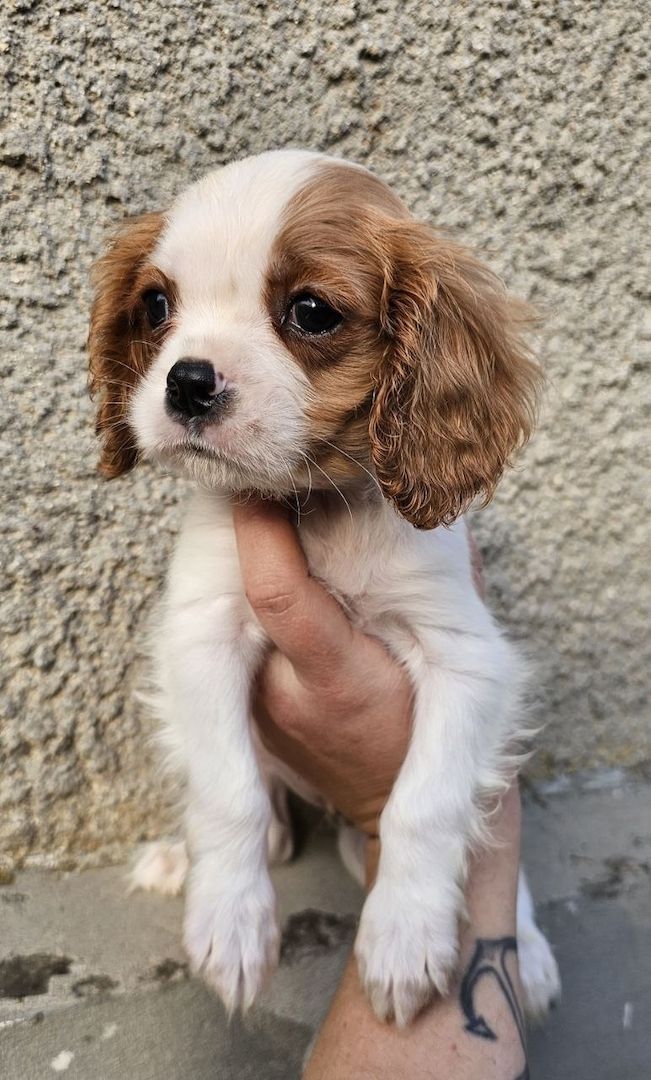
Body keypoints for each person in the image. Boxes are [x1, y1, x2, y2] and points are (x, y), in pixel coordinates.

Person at [234, 500, 528, 1080]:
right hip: (294, 792)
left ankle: (511, 913)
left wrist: (413, 866)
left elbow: (473, 671)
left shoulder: (416, 525)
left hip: (400, 810)